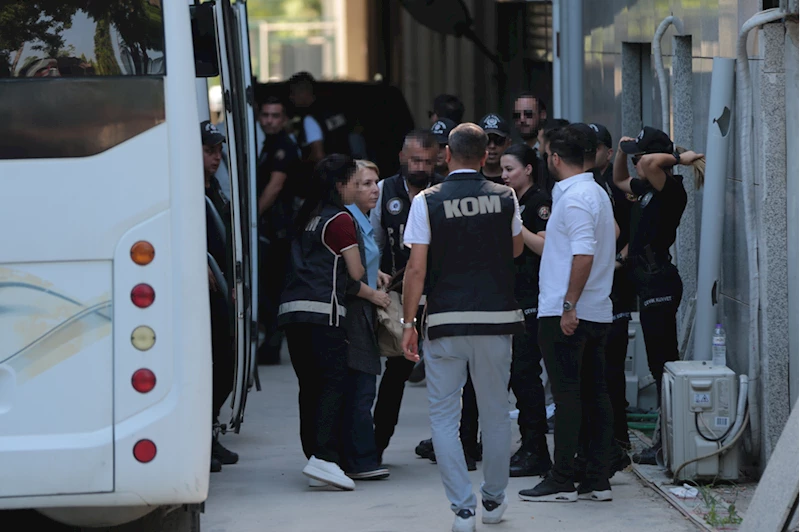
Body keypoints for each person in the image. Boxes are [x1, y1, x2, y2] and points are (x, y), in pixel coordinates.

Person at [402, 122, 525, 531]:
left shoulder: (427, 200)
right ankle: (493, 498)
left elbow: (415, 269)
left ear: (447, 155)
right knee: (495, 413)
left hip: (445, 321)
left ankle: (463, 509)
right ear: (485, 155)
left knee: (443, 417)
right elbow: (516, 249)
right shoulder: (505, 196)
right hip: (496, 319)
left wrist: (408, 323)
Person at [518, 124, 616, 503]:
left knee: (568, 396)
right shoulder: (595, 193)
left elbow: (584, 254)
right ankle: (596, 479)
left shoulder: (575, 198)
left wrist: (569, 305)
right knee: (594, 394)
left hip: (568, 312)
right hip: (594, 309)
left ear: (555, 158)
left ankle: (562, 478)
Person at [612, 127, 704, 465]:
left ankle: (670, 443)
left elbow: (652, 163)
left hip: (660, 284)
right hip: (648, 281)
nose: (636, 163)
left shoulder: (670, 189)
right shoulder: (647, 189)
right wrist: (621, 152)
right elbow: (619, 180)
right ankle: (666, 441)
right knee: (658, 364)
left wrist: (679, 158)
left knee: (664, 365)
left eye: (638, 157)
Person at [277, 154, 364, 491]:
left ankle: (315, 456)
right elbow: (355, 271)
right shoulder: (340, 219)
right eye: (354, 183)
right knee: (332, 382)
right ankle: (325, 457)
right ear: (340, 185)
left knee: (309, 386)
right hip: (323, 312)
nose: (357, 190)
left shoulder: (308, 216)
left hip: (292, 312)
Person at [369, 130, 439, 463]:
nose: (421, 167)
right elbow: (374, 242)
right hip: (400, 293)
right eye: (415, 160)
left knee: (448, 370)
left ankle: (461, 442)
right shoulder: (384, 190)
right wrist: (375, 277)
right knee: (396, 370)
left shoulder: (443, 192)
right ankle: (377, 444)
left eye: (427, 161)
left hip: (438, 295)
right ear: (402, 157)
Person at [335, 160, 392, 482]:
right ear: (351, 188)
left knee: (362, 384)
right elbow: (345, 276)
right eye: (366, 184)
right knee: (361, 386)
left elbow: (363, 260)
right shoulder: (348, 221)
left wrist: (377, 272)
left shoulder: (362, 219)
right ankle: (359, 459)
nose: (375, 190)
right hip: (355, 313)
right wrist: (373, 295)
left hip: (363, 311)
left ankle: (359, 455)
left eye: (376, 183)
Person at [500, 144, 553, 478]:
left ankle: (536, 449)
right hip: (514, 295)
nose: (504, 176)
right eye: (502, 170)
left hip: (534, 295)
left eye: (510, 169)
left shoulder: (538, 202)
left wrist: (516, 225)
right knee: (518, 374)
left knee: (526, 372)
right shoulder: (513, 201)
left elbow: (544, 246)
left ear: (529, 169)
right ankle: (529, 443)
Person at [201, 120, 239, 472]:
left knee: (227, 366)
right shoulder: (186, 190)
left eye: (218, 151)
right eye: (209, 151)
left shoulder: (215, 188)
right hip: (204, 294)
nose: (216, 157)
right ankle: (204, 441)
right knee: (212, 365)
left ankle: (211, 430)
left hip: (225, 287)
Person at [256, 96, 302, 365]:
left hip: (278, 230)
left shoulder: (283, 146)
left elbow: (275, 186)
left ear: (284, 119)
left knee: (271, 287)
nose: (269, 121)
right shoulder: (269, 144)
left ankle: (273, 343)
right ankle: (271, 341)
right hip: (273, 227)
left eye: (275, 116)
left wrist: (252, 218)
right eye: (265, 115)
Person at [478, 113, 512, 184]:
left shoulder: (515, 179)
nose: (492, 146)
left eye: (498, 140)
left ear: (508, 144)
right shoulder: (471, 179)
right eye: (486, 141)